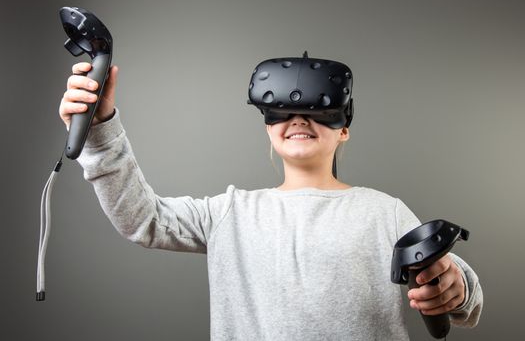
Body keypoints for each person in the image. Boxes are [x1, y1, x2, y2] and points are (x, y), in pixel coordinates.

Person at [59, 61, 483, 340]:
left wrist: (454, 287)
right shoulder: (230, 212)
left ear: (345, 129)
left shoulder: (382, 212)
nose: (299, 118)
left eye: (320, 111)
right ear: (267, 127)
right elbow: (141, 219)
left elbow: (458, 286)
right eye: (280, 112)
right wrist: (100, 130)